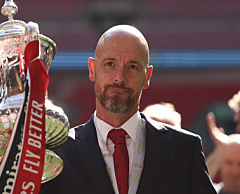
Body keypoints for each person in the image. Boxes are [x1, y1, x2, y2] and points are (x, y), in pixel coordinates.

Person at [38, 25, 216, 194]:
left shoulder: (184, 150)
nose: (119, 77)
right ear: (92, 69)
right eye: (110, 64)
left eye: (132, 67)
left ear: (147, 76)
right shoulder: (58, 153)